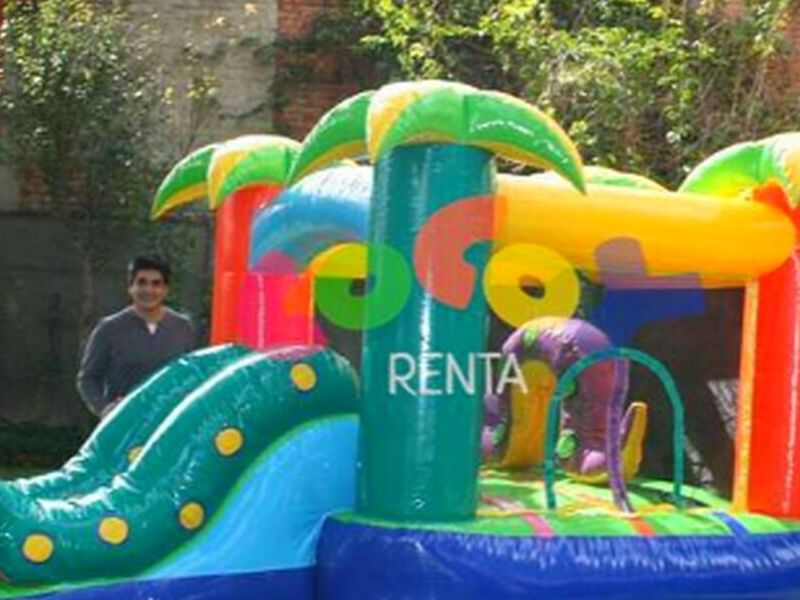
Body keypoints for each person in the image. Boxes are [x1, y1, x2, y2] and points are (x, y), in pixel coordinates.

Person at [77, 255, 195, 419]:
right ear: (130, 287)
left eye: (156, 284)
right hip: (126, 423)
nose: (148, 290)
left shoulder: (182, 327)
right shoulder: (109, 329)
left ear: (165, 290)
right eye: (142, 283)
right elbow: (88, 379)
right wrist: (104, 409)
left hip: (168, 423)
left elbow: (190, 375)